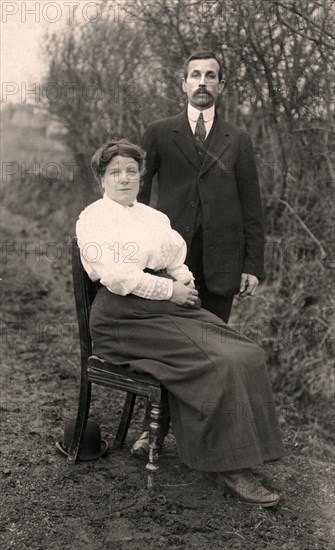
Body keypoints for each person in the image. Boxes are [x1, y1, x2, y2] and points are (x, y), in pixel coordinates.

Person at [76, 139, 284, 507]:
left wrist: (184, 283)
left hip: (164, 306)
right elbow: (118, 277)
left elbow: (175, 260)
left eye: (131, 171)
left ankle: (246, 452)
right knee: (219, 361)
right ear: (101, 179)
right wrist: (169, 291)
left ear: (141, 176)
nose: (124, 179)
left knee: (246, 353)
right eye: (114, 173)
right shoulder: (94, 217)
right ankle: (227, 467)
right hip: (122, 318)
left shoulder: (154, 217)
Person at [138, 50, 264, 324]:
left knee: (215, 341)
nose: (203, 82)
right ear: (184, 84)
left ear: (220, 86)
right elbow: (138, 200)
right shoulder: (159, 133)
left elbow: (252, 206)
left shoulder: (238, 139)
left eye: (210, 76)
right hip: (168, 260)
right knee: (173, 342)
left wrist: (252, 266)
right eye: (196, 75)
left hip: (222, 265)